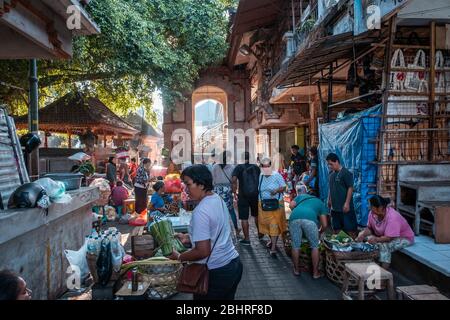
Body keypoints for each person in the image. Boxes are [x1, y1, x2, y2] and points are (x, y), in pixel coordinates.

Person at [168, 165, 243, 300]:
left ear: (201, 185)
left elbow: (203, 251)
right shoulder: (216, 198)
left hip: (216, 273)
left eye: (188, 184)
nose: (185, 189)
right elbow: (213, 232)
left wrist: (179, 257)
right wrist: (188, 237)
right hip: (233, 265)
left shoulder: (201, 211)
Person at [356, 196, 414, 268]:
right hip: (385, 235)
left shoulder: (392, 217)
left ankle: (383, 273)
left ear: (379, 208)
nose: (369, 207)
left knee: (384, 246)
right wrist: (363, 234)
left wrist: (376, 239)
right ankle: (374, 265)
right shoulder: (372, 213)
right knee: (367, 241)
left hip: (403, 238)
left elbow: (389, 238)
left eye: (371, 206)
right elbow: (370, 228)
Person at [289, 187, 329, 278]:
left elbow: (291, 205)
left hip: (294, 217)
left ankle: (296, 270)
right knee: (315, 246)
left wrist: (297, 213)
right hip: (310, 221)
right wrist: (320, 231)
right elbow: (325, 224)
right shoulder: (320, 203)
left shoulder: (302, 196)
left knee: (295, 245)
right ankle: (315, 273)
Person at [258, 157, 288, 257]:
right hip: (263, 205)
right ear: (261, 167)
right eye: (264, 166)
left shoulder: (276, 175)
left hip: (276, 205)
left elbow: (284, 187)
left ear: (270, 166)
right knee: (267, 225)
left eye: (268, 166)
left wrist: (276, 191)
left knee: (273, 225)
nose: (266, 168)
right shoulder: (260, 176)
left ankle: (273, 248)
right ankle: (272, 241)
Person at [232, 151, 261, 245]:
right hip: (255, 194)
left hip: (243, 195)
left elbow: (233, 180)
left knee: (244, 218)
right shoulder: (256, 167)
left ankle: (247, 239)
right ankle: (260, 234)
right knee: (256, 215)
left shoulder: (239, 167)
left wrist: (234, 192)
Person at [326, 153, 357, 237]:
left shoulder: (346, 173)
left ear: (336, 161)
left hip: (344, 207)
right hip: (334, 207)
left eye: (331, 164)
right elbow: (330, 187)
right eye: (328, 164)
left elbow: (350, 188)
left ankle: (352, 247)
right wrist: (329, 199)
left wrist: (347, 203)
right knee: (336, 229)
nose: (330, 166)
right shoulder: (331, 174)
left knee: (350, 230)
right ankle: (339, 247)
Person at [212, 151, 239, 239]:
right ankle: (236, 229)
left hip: (217, 190)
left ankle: (218, 230)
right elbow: (234, 181)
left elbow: (212, 180)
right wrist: (234, 192)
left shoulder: (215, 166)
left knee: (218, 211)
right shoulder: (231, 167)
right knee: (231, 210)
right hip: (227, 190)